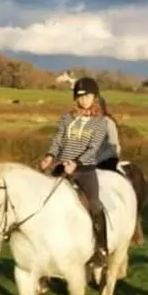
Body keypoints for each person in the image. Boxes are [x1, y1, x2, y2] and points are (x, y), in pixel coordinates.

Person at [38, 76, 111, 267]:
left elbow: (93, 148)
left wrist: (77, 163)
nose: (83, 100)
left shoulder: (100, 122)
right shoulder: (67, 118)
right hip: (61, 168)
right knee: (44, 202)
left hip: (85, 170)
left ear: (95, 97)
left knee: (95, 205)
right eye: (80, 96)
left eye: (87, 96)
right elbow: (58, 140)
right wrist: (50, 156)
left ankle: (101, 249)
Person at [94, 95, 122, 171]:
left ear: (101, 109)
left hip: (107, 159)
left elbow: (113, 147)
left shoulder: (108, 123)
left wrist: (96, 160)